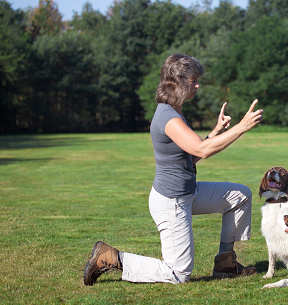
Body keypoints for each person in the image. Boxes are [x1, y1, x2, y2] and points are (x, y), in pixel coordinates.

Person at [83, 53, 263, 285]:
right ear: (177, 81)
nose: (197, 85)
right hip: (172, 201)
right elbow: (202, 150)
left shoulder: (176, 110)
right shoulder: (168, 116)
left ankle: (226, 264)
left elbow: (190, 156)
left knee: (239, 195)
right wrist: (241, 127)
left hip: (188, 193)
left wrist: (215, 131)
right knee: (178, 273)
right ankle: (110, 258)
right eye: (193, 80)